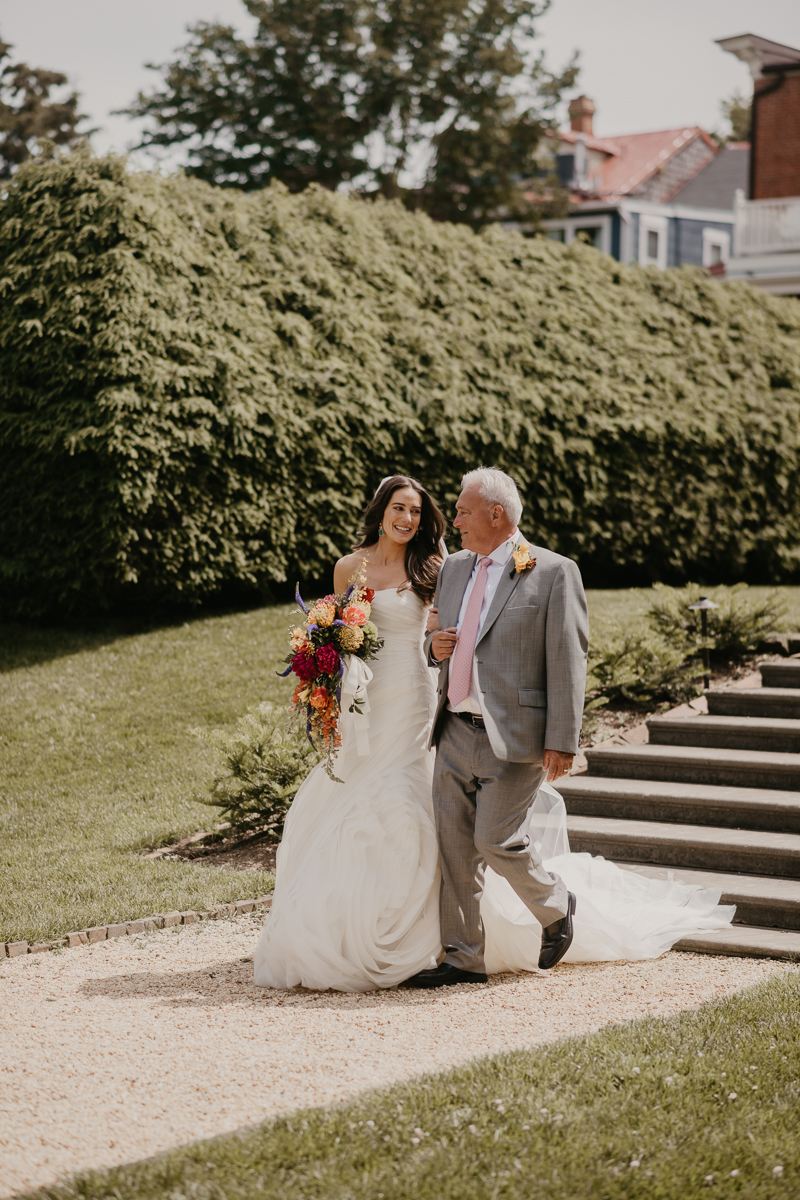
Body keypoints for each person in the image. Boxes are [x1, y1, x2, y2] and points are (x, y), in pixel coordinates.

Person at [253, 471, 734, 994]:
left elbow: (568, 659)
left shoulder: (552, 571)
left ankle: (556, 905)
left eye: (457, 511)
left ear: (495, 515)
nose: (447, 520)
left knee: (494, 837)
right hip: (448, 721)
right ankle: (463, 956)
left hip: (512, 731)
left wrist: (562, 739)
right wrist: (425, 646)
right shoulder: (454, 567)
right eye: (422, 509)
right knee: (454, 844)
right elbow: (434, 634)